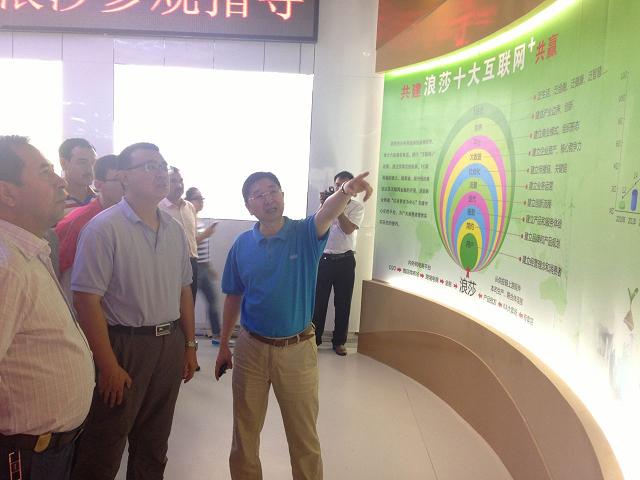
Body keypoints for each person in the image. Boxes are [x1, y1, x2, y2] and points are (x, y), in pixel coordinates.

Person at [215, 170, 373, 479]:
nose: (268, 199)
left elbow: (327, 212)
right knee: (244, 437)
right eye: (259, 195)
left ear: (283, 196)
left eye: (273, 190)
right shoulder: (241, 244)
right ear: (248, 206)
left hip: (296, 350)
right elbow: (233, 296)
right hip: (250, 349)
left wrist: (344, 191)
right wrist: (223, 346)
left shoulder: (305, 233)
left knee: (304, 440)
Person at [70, 143, 198, 480]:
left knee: (154, 443)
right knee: (105, 444)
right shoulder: (103, 228)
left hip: (169, 344)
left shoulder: (174, 230)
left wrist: (189, 345)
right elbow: (86, 300)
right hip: (124, 345)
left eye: (162, 165)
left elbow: (184, 290)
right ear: (124, 177)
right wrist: (108, 365)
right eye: (149, 166)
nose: (161, 173)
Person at [0, 135, 94, 480]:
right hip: (24, 458)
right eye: (44, 172)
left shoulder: (29, 250)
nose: (59, 181)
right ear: (7, 193)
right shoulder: (6, 265)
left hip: (46, 452)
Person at [55, 154, 123, 300]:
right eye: (119, 180)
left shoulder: (135, 217)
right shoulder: (77, 223)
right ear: (98, 184)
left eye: (128, 178)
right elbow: (65, 280)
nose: (126, 185)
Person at [312, 171, 365, 356]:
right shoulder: (327, 204)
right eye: (337, 185)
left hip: (345, 260)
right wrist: (323, 205)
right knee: (319, 303)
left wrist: (339, 209)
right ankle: (314, 340)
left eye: (343, 185)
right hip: (324, 259)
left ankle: (339, 342)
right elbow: (315, 225)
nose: (339, 188)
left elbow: (348, 229)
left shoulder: (357, 207)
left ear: (352, 188)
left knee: (343, 303)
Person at [185, 187, 221, 342]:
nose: (200, 202)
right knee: (189, 304)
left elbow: (202, 249)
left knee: (212, 300)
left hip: (203, 268)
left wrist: (209, 267)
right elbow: (190, 245)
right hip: (192, 268)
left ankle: (217, 335)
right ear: (188, 201)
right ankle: (187, 338)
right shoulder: (187, 220)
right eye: (197, 198)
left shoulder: (198, 221)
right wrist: (205, 234)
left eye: (202, 199)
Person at [159, 167, 199, 303]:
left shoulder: (190, 207)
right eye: (173, 181)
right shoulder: (158, 207)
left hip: (192, 262)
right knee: (172, 303)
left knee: (190, 302)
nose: (179, 185)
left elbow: (193, 237)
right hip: (169, 264)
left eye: (181, 180)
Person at [58, 138, 97, 214]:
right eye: (82, 162)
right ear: (63, 163)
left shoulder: (102, 200)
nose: (90, 169)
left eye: (93, 163)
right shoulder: (51, 201)